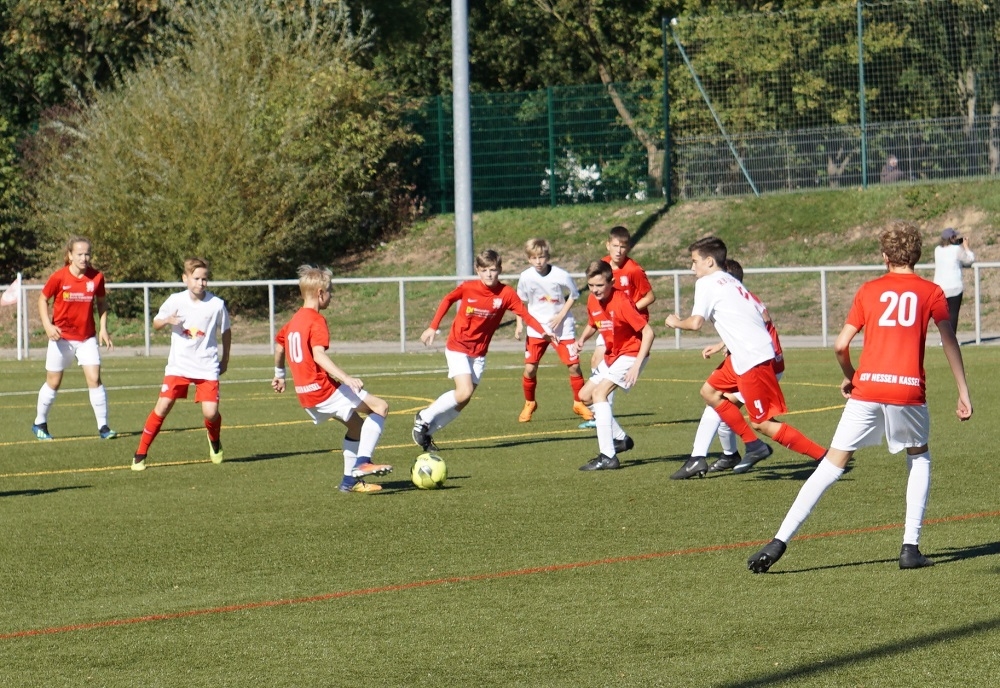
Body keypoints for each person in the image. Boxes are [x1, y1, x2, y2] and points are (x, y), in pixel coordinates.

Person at [747, 220, 973, 573]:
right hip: (907, 390)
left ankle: (778, 541)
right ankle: (910, 548)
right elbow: (948, 339)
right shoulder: (931, 292)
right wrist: (963, 391)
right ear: (917, 256)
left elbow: (840, 345)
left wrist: (853, 377)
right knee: (919, 457)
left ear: (884, 257)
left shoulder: (869, 290)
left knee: (830, 466)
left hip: (867, 389)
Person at [665, 237, 827, 478]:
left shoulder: (707, 282)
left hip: (752, 358)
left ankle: (825, 458)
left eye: (694, 261)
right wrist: (724, 342)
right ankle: (747, 446)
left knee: (762, 423)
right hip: (745, 355)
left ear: (709, 261)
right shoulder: (731, 281)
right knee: (709, 392)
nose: (692, 267)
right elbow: (753, 316)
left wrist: (675, 322)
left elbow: (696, 323)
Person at [412, 249, 556, 451]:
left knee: (464, 400)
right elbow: (448, 299)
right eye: (485, 270)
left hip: (479, 353)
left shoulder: (506, 294)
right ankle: (423, 417)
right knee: (464, 391)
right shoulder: (468, 287)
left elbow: (526, 315)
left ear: (500, 270)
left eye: (493, 270)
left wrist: (543, 332)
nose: (489, 274)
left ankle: (427, 433)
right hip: (458, 346)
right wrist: (433, 327)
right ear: (477, 270)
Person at [272, 265, 392, 494]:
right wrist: (346, 378)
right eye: (330, 291)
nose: (331, 296)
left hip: (306, 394)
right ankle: (363, 462)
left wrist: (279, 375)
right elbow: (318, 355)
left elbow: (279, 346)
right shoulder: (316, 320)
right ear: (320, 293)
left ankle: (349, 482)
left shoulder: (293, 321)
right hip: (323, 390)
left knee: (356, 426)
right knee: (380, 407)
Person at [680, 258, 787, 478]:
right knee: (721, 408)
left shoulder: (743, 300)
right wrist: (722, 344)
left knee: (720, 406)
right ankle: (730, 454)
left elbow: (754, 331)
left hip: (761, 364)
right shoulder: (745, 299)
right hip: (760, 361)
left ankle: (701, 457)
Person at [131, 258, 231, 471]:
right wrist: (167, 320)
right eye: (196, 278)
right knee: (163, 406)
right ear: (185, 278)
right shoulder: (175, 300)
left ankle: (214, 441)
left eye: (205, 279)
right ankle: (140, 454)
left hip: (206, 366)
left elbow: (226, 331)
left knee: (210, 413)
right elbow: (156, 323)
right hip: (179, 366)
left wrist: (225, 359)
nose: (201, 283)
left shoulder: (216, 304)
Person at [33, 236, 117, 441]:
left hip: (86, 338)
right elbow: (43, 299)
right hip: (61, 338)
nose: (83, 258)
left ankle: (104, 427)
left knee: (94, 378)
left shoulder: (96, 277)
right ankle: (39, 423)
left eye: (87, 254)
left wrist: (103, 329)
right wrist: (48, 325)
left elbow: (102, 303)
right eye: (79, 254)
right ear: (70, 255)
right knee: (53, 382)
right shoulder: (59, 277)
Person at [575, 260, 654, 471]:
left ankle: (608, 456)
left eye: (600, 285)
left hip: (631, 354)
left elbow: (648, 332)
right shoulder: (592, 300)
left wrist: (637, 365)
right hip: (614, 355)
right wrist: (581, 339)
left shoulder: (621, 301)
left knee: (599, 394)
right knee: (585, 396)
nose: (595, 290)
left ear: (612, 282)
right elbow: (593, 323)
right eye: (591, 285)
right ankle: (620, 439)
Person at [583, 225, 655, 428]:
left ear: (628, 248)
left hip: (627, 327)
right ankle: (602, 407)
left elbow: (650, 296)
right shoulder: (602, 266)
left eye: (623, 247)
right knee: (596, 360)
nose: (618, 251)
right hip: (608, 322)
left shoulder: (633, 270)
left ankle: (602, 407)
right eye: (615, 246)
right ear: (608, 245)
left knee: (601, 378)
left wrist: (627, 311)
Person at [513, 238, 592, 423]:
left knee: (574, 366)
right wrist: (519, 324)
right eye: (534, 258)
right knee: (530, 368)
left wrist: (560, 315)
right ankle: (530, 403)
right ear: (528, 259)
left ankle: (578, 403)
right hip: (536, 327)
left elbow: (574, 294)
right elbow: (519, 301)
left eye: (541, 257)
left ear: (548, 257)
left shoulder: (561, 275)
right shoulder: (525, 276)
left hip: (562, 327)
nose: (538, 261)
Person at [933, 227, 974, 338]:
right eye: (955, 237)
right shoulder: (956, 249)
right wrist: (966, 247)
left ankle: (943, 338)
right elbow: (969, 260)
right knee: (953, 314)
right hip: (954, 286)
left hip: (940, 287)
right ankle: (951, 339)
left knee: (942, 316)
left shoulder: (937, 250)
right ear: (951, 238)